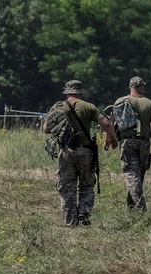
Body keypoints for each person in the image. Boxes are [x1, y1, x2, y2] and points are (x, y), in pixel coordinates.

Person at [44, 80, 116, 227]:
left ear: (67, 92)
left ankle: (70, 222)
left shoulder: (58, 106)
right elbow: (107, 124)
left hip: (66, 151)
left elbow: (46, 129)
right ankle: (83, 211)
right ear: (80, 92)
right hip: (85, 151)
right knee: (86, 184)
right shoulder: (89, 107)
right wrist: (113, 139)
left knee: (67, 188)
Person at [110, 76, 151, 212]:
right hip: (144, 143)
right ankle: (132, 209)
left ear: (130, 87)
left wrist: (109, 140)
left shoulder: (120, 101)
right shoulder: (150, 104)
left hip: (127, 142)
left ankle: (140, 209)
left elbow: (111, 123)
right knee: (138, 175)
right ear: (141, 87)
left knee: (132, 175)